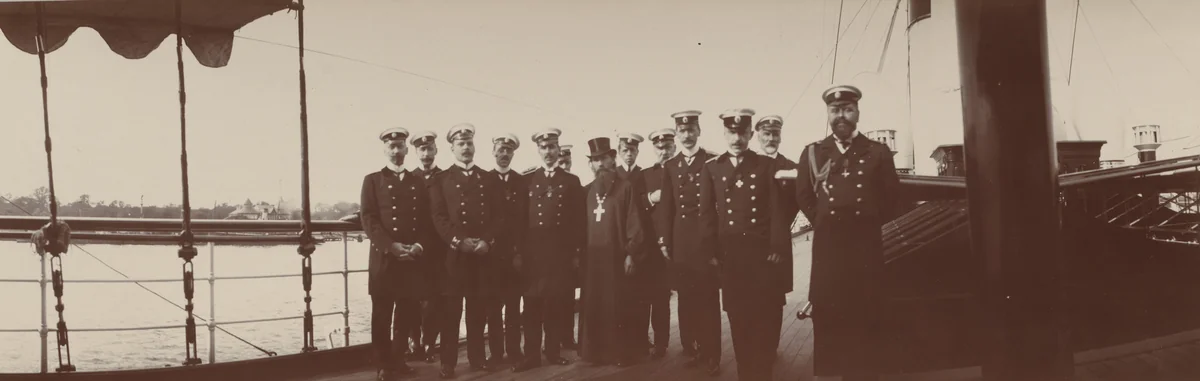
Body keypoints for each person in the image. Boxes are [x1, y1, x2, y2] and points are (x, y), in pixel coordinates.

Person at [795, 85, 901, 381]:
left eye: (847, 109)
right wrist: (824, 220)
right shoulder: (814, 152)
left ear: (857, 112)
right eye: (835, 110)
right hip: (829, 250)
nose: (841, 115)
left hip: (865, 249)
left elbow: (892, 198)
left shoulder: (877, 152)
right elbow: (802, 194)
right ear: (828, 113)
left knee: (866, 314)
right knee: (829, 316)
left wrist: (865, 222)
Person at [699, 109, 792, 381]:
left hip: (761, 255)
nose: (737, 138)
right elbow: (706, 214)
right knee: (738, 321)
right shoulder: (712, 168)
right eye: (731, 132)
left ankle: (762, 375)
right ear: (724, 134)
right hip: (730, 258)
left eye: (742, 132)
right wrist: (710, 252)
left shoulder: (765, 165)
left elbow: (777, 211)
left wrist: (777, 247)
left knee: (762, 321)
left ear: (751, 134)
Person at [360, 127, 437, 380]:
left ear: (407, 149)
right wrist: (391, 246)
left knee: (406, 313)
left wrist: (418, 246)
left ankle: (399, 360)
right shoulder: (372, 180)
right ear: (385, 149)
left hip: (411, 259)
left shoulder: (418, 182)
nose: (396, 151)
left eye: (400, 146)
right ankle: (383, 364)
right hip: (385, 258)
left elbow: (427, 222)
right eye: (391, 146)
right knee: (382, 314)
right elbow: (369, 219)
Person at [428, 123, 504, 378]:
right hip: (455, 255)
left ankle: (477, 358)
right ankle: (447, 362)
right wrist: (458, 240)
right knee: (450, 312)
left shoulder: (489, 179)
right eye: (461, 144)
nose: (466, 148)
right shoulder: (441, 180)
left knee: (477, 310)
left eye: (469, 143)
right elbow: (439, 217)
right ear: (452, 148)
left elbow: (498, 216)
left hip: (482, 254)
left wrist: (487, 240)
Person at [512, 128, 584, 372]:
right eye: (544, 147)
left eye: (552, 147)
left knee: (555, 306)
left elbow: (577, 222)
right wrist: (519, 253)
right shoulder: (527, 180)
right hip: (533, 257)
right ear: (538, 150)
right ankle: (531, 356)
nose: (549, 152)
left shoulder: (571, 181)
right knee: (531, 308)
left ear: (558, 148)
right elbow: (520, 220)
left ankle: (553, 353)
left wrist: (574, 254)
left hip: (558, 256)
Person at [660, 110, 722, 375]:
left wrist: (717, 244)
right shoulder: (671, 166)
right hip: (681, 242)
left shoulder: (712, 161)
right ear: (677, 133)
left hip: (705, 240)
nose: (687, 135)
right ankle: (696, 349)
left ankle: (713, 356)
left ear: (698, 131)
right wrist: (664, 239)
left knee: (708, 300)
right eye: (682, 131)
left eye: (691, 129)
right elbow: (666, 206)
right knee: (687, 300)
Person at [579, 137, 647, 367]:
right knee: (595, 303)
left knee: (618, 303)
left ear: (612, 159)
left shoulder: (624, 187)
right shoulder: (587, 191)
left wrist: (631, 253)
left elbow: (634, 222)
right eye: (595, 160)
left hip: (617, 259)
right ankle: (594, 353)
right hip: (593, 261)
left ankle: (618, 353)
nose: (600, 164)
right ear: (591, 164)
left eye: (604, 159)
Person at [755, 114, 798, 354]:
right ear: (757, 136)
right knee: (752, 298)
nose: (771, 139)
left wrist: (779, 235)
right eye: (766, 134)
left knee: (774, 299)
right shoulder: (748, 165)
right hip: (751, 245)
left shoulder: (792, 168)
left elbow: (801, 203)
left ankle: (770, 348)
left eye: (775, 134)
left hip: (778, 244)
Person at [486, 133, 525, 366]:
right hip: (491, 255)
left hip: (513, 255)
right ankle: (496, 353)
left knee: (513, 306)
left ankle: (513, 350)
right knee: (492, 307)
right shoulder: (485, 180)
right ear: (493, 151)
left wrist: (519, 251)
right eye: (500, 150)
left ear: (513, 154)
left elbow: (523, 220)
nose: (504, 155)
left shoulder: (521, 182)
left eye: (508, 151)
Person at [639, 128, 676, 359]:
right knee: (654, 296)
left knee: (686, 296)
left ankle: (686, 342)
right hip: (653, 247)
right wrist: (652, 198)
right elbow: (637, 203)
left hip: (679, 243)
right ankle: (653, 342)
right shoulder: (645, 175)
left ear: (674, 147)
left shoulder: (682, 171)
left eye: (668, 147)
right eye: (659, 148)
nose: (663, 151)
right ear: (654, 149)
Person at [409, 130, 444, 362]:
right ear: (416, 152)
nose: (426, 154)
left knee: (435, 300)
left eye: (430, 149)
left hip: (440, 248)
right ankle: (414, 342)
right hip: (415, 248)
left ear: (436, 151)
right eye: (422, 150)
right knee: (412, 298)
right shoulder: (410, 178)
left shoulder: (446, 177)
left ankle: (430, 342)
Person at [554, 143, 582, 351]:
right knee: (552, 297)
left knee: (568, 296)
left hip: (568, 251)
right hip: (551, 251)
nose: (564, 165)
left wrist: (577, 251)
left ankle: (567, 337)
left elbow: (579, 222)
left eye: (567, 161)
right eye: (560, 162)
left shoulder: (575, 185)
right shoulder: (550, 185)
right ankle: (554, 338)